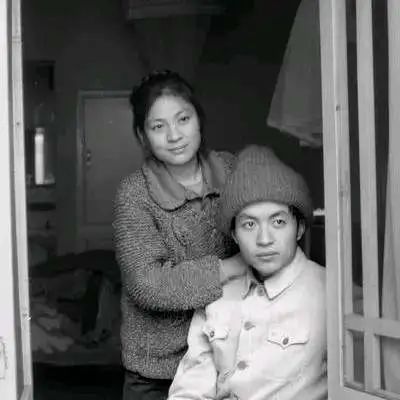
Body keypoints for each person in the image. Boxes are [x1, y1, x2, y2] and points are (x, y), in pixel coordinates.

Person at [113, 70, 240, 400]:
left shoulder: (232, 170)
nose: (174, 135)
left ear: (199, 119)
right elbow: (148, 285)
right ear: (142, 135)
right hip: (158, 372)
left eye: (183, 119)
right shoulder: (134, 194)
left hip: (227, 356)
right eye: (158, 126)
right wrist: (231, 267)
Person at [168, 144, 327, 400]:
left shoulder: (331, 294)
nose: (264, 239)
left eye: (278, 222)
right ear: (234, 234)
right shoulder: (216, 295)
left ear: (298, 228)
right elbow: (191, 387)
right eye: (249, 224)